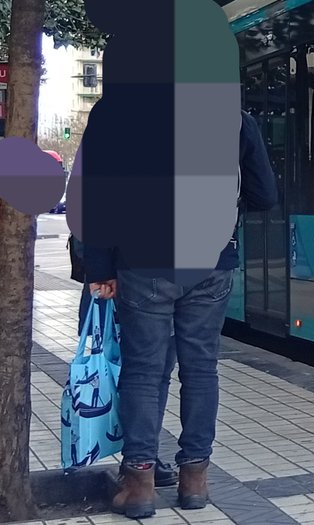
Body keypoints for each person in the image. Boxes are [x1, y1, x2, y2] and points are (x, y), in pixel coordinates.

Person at [86, 110, 277, 518]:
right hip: (211, 262)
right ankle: (194, 481)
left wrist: (100, 268)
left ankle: (139, 485)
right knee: (202, 368)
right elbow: (265, 195)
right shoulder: (234, 118)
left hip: (144, 260)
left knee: (143, 370)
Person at [68, 236, 179, 489]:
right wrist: (102, 270)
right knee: (150, 376)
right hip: (126, 281)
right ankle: (142, 460)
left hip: (129, 278)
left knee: (149, 375)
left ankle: (142, 460)